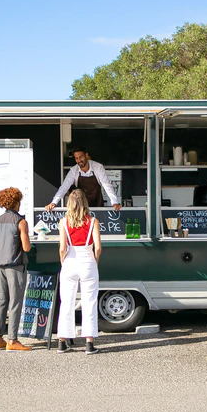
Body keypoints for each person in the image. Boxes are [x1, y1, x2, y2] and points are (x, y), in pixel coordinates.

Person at [57, 189, 101, 354]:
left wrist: (63, 261)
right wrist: (94, 261)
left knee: (66, 302)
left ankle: (62, 340)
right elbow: (98, 247)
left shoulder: (64, 222)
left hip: (70, 262)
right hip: (88, 261)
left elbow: (62, 248)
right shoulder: (93, 222)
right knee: (89, 302)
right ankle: (89, 342)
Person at [0, 187, 32, 352]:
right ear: (16, 202)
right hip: (15, 265)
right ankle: (13, 340)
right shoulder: (20, 222)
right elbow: (27, 247)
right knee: (15, 302)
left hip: (0, 265)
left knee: (2, 302)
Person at [44, 146, 121, 212]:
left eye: (81, 157)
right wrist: (54, 203)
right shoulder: (74, 171)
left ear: (86, 155)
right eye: (76, 158)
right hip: (80, 208)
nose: (79, 160)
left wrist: (114, 202)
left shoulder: (98, 167)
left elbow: (107, 185)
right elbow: (64, 187)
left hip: (97, 205)